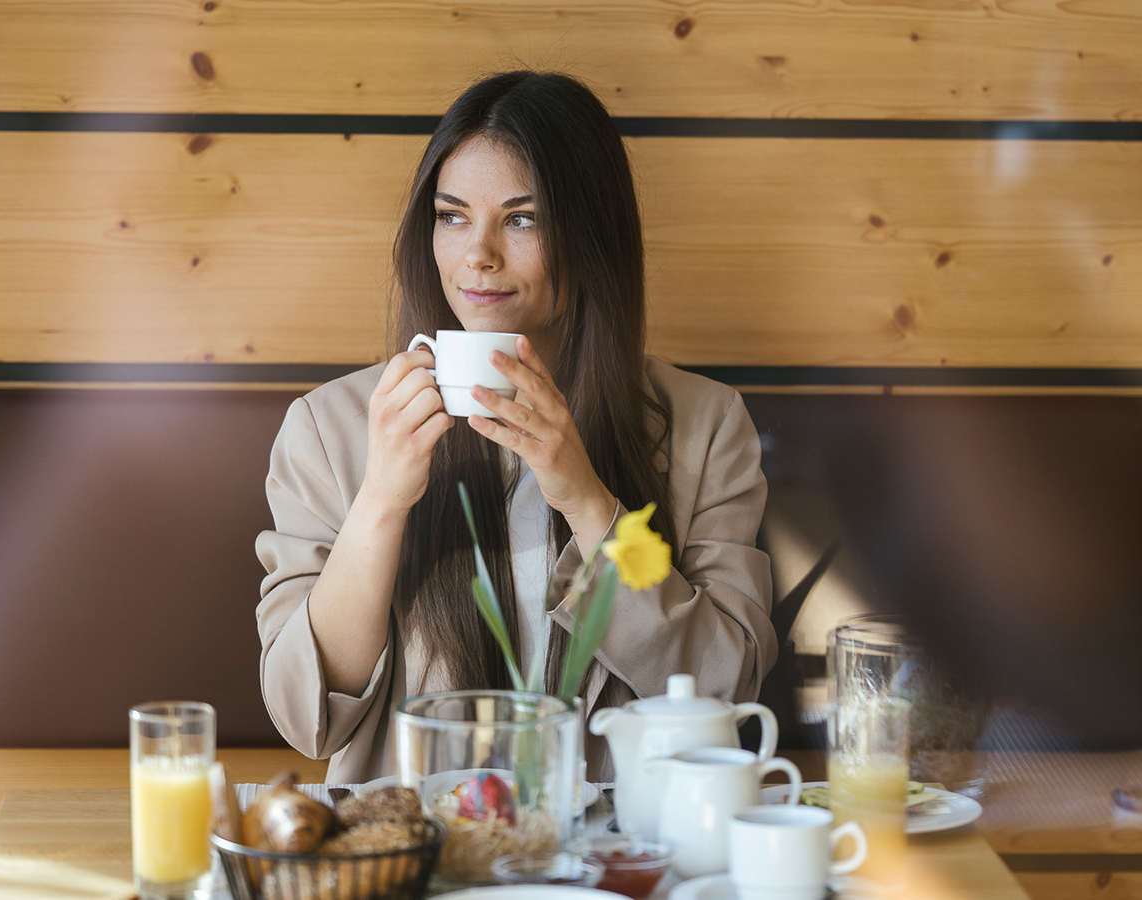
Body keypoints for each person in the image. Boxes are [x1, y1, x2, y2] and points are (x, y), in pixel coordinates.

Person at [255, 71, 776, 782]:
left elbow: (725, 692)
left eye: (522, 219)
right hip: (423, 863)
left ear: (590, 236)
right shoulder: (331, 428)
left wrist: (587, 500)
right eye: (453, 215)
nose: (479, 254)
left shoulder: (704, 426)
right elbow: (307, 718)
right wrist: (380, 500)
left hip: (612, 864)